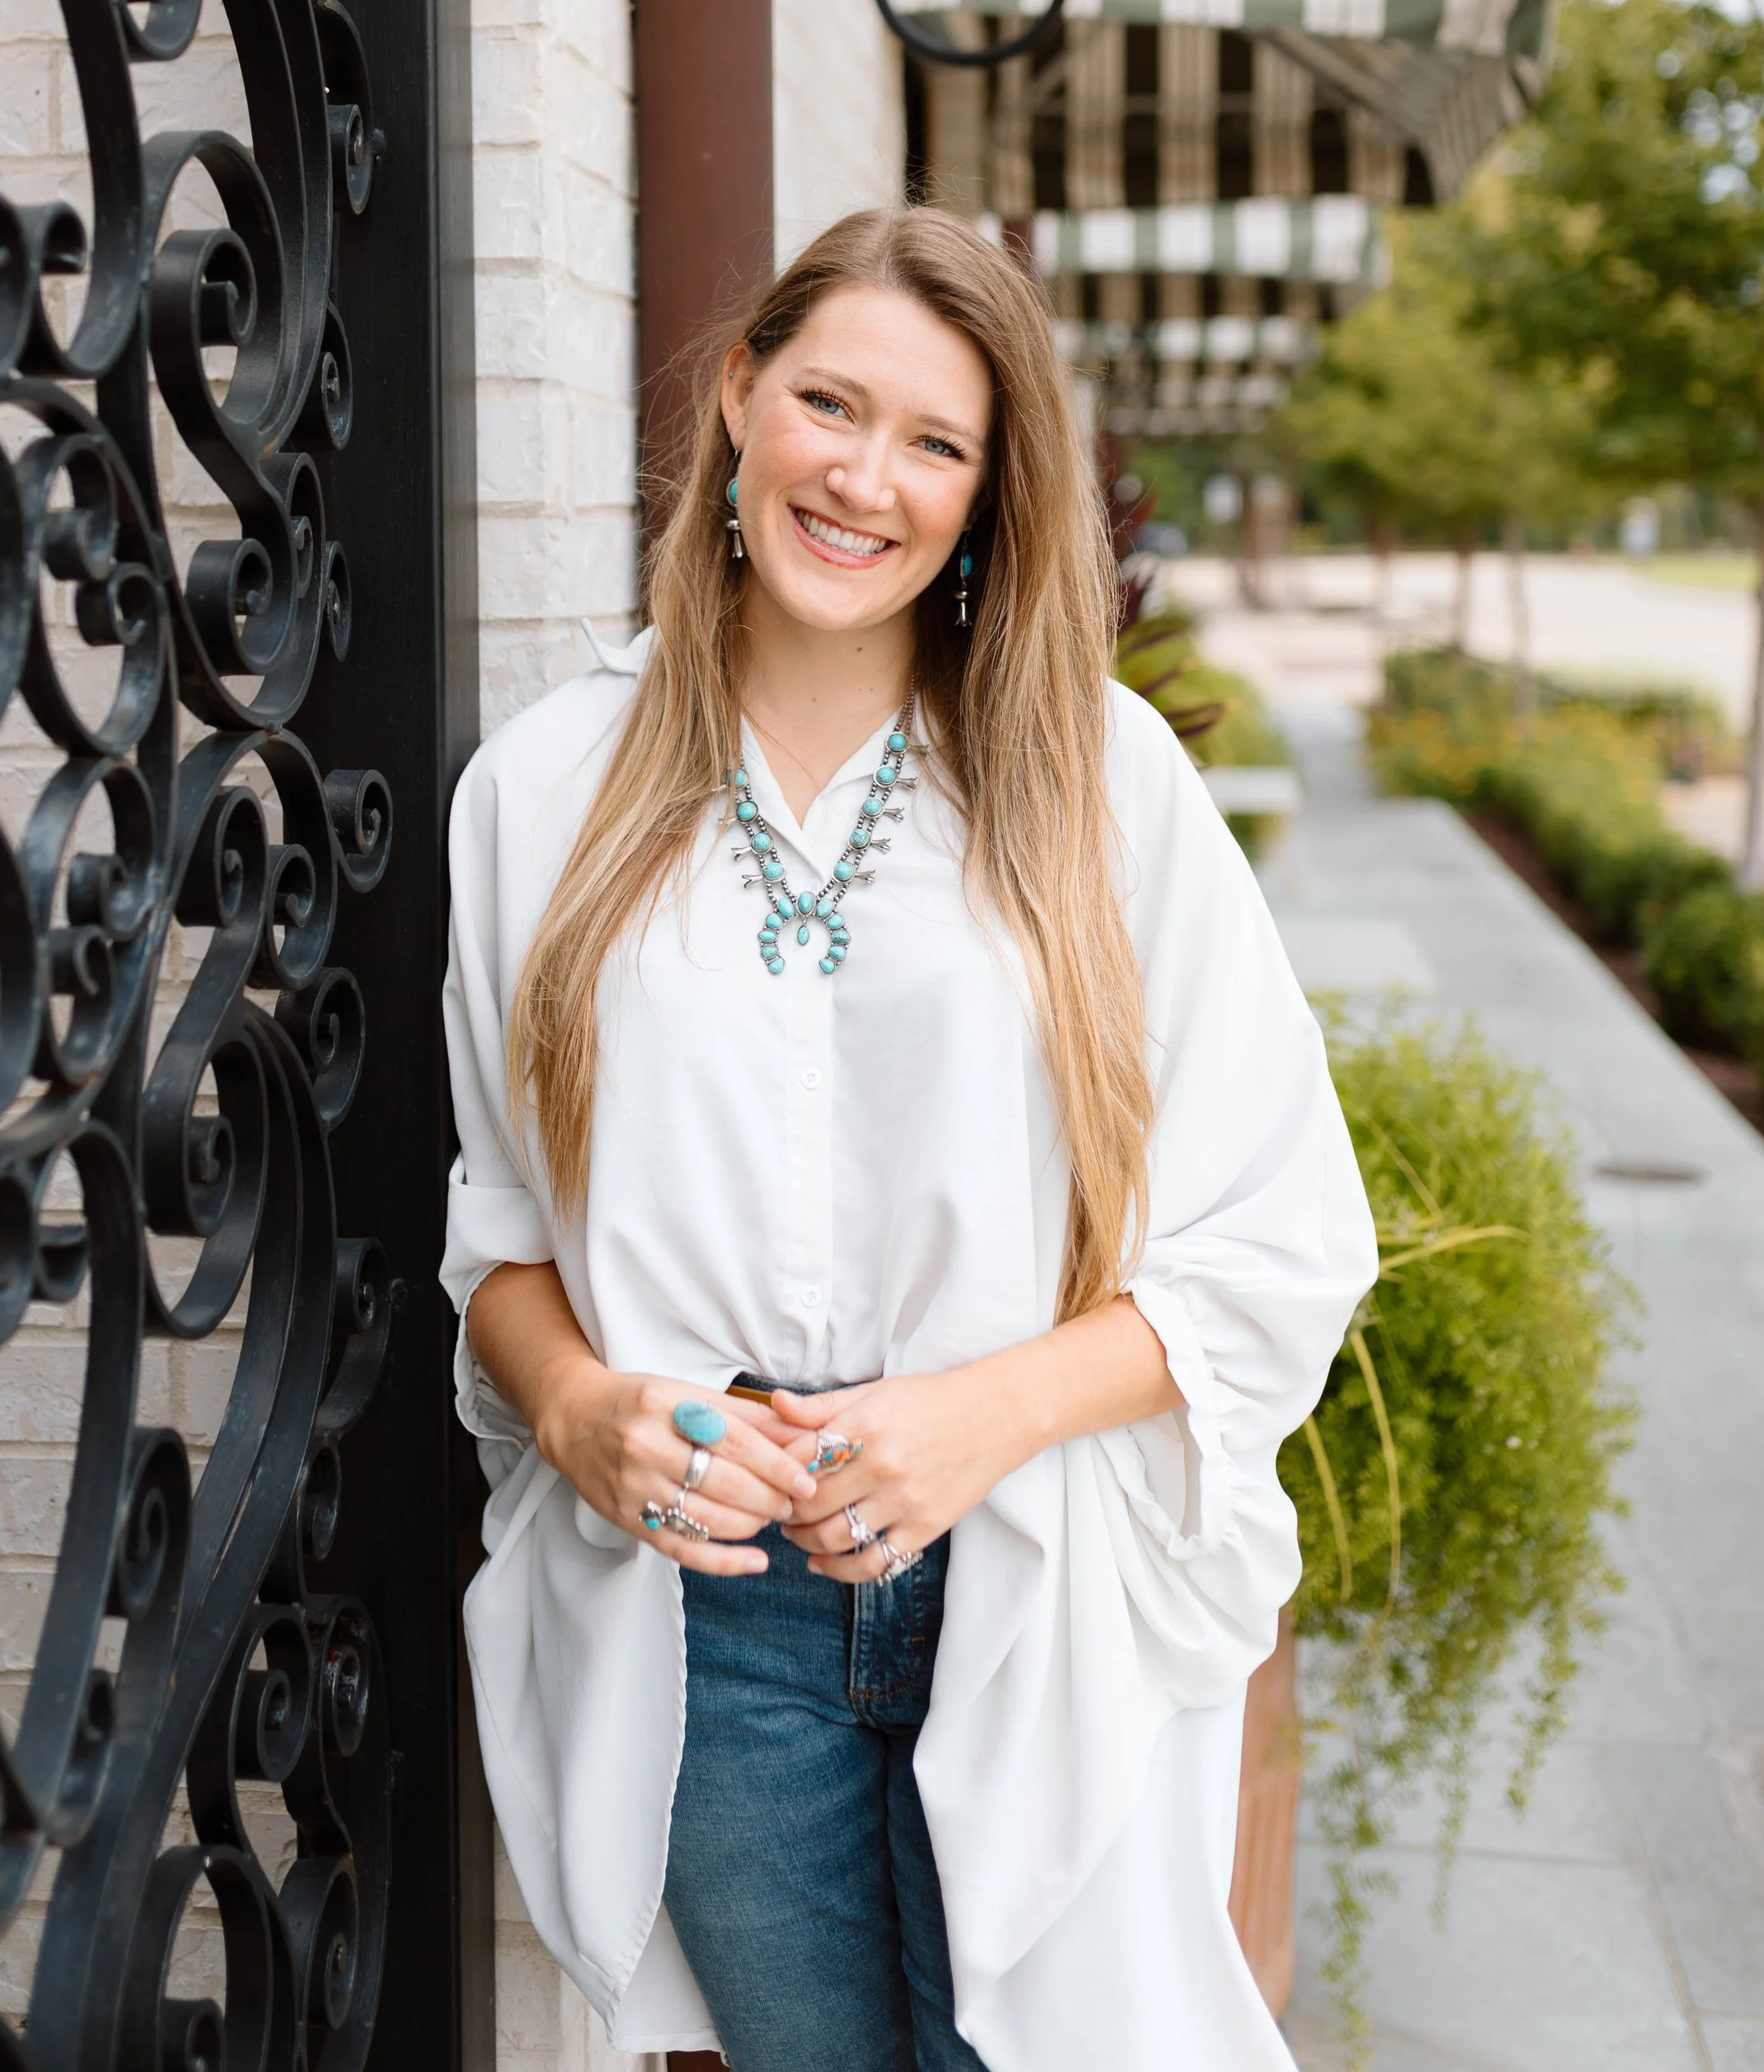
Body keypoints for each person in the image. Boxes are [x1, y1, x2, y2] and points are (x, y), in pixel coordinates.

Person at [441, 207, 1376, 2071]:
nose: (864, 479)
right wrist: (577, 1411)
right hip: (712, 1628)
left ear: (984, 489)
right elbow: (499, 1235)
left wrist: (983, 1414)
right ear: (735, 399)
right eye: (829, 406)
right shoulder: (542, 789)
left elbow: (1281, 1242)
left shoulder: (1095, 781)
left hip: (1028, 1581)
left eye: (934, 442)